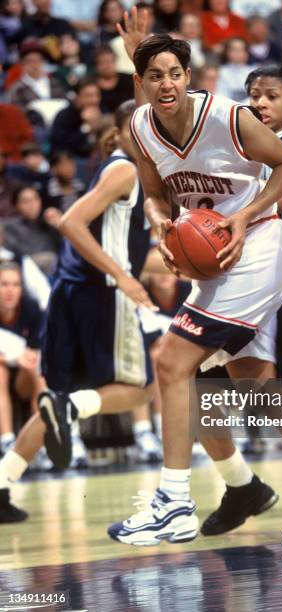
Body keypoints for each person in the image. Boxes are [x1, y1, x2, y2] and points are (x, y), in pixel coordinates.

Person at [97, 33, 282, 546]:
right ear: (140, 82)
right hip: (213, 262)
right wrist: (161, 223)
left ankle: (174, 503)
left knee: (170, 362)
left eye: (174, 74)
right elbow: (153, 193)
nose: (166, 83)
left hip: (256, 247)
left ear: (189, 77)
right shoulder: (141, 126)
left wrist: (246, 215)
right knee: (248, 386)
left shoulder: (229, 117)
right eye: (154, 75)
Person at [0, 100, 160, 522]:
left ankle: (0, 484)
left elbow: (123, 249)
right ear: (125, 132)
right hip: (102, 293)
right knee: (139, 389)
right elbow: (70, 223)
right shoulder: (125, 169)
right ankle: (70, 411)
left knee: (56, 400)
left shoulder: (119, 165)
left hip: (71, 292)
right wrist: (124, 278)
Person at [0, 263, 45, 456]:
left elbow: (36, 351)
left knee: (37, 368)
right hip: (4, 375)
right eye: (4, 284)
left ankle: (42, 442)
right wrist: (11, 356)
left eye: (16, 285)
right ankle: (7, 441)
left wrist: (25, 358)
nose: (10, 291)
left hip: (22, 382)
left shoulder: (31, 309)